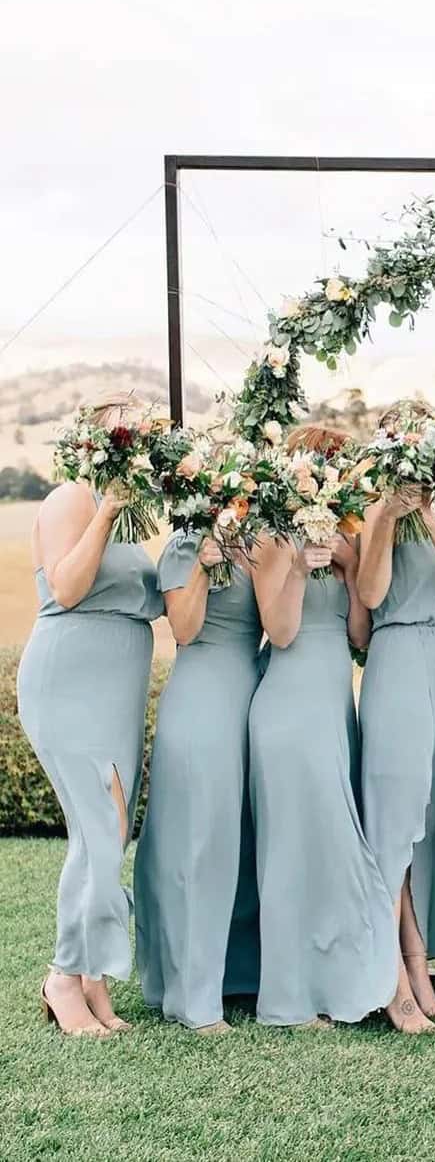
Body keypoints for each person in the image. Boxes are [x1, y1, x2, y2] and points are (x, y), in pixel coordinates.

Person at [19, 398, 163, 1036]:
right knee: (99, 835)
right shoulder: (69, 499)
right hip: (70, 679)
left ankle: (93, 978)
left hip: (118, 688)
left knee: (106, 837)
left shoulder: (131, 522)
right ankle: (62, 977)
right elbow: (69, 587)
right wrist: (105, 508)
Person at [248, 425, 397, 1028]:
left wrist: (349, 560)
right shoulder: (271, 539)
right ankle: (284, 998)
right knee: (289, 853)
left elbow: (359, 636)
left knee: (329, 849)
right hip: (287, 709)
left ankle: (331, 977)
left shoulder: (345, 546)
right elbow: (280, 631)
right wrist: (303, 568)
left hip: (334, 709)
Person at [356, 406, 435, 1033]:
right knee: (397, 812)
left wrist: (427, 509)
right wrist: (387, 518)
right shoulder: (379, 512)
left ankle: (426, 965)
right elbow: (371, 597)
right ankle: (397, 976)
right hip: (398, 653)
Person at [135, 526, 263, 1033]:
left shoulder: (262, 538)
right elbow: (184, 629)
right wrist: (203, 567)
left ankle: (238, 976)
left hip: (251, 690)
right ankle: (192, 995)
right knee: (199, 842)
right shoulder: (188, 543)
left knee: (244, 841)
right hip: (202, 695)